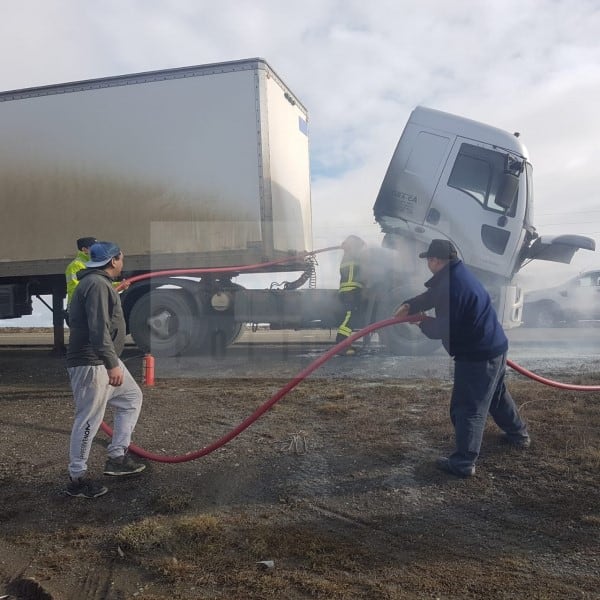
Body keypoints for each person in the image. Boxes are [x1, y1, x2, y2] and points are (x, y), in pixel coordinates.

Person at [394, 239, 530, 478]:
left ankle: (464, 462)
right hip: (493, 347)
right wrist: (410, 304)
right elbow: (433, 295)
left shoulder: (453, 286)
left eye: (429, 259)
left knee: (467, 407)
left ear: (435, 261)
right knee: (495, 396)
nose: (428, 263)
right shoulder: (456, 275)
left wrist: (421, 322)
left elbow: (445, 329)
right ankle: (519, 435)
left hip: (477, 354)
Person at [65, 241, 145, 498]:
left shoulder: (97, 284)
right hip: (93, 362)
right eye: (121, 258)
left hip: (101, 358)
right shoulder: (97, 285)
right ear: (113, 261)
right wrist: (111, 364)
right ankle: (77, 480)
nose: (123, 262)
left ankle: (117, 457)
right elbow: (98, 328)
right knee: (89, 419)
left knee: (131, 398)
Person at [335, 235, 367, 356]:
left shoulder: (347, 256)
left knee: (349, 318)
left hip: (349, 291)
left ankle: (344, 344)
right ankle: (341, 344)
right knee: (349, 319)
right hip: (351, 292)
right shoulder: (352, 255)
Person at [65, 237, 97, 307]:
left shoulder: (93, 264)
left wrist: (120, 284)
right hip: (78, 306)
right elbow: (76, 289)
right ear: (84, 249)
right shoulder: (75, 265)